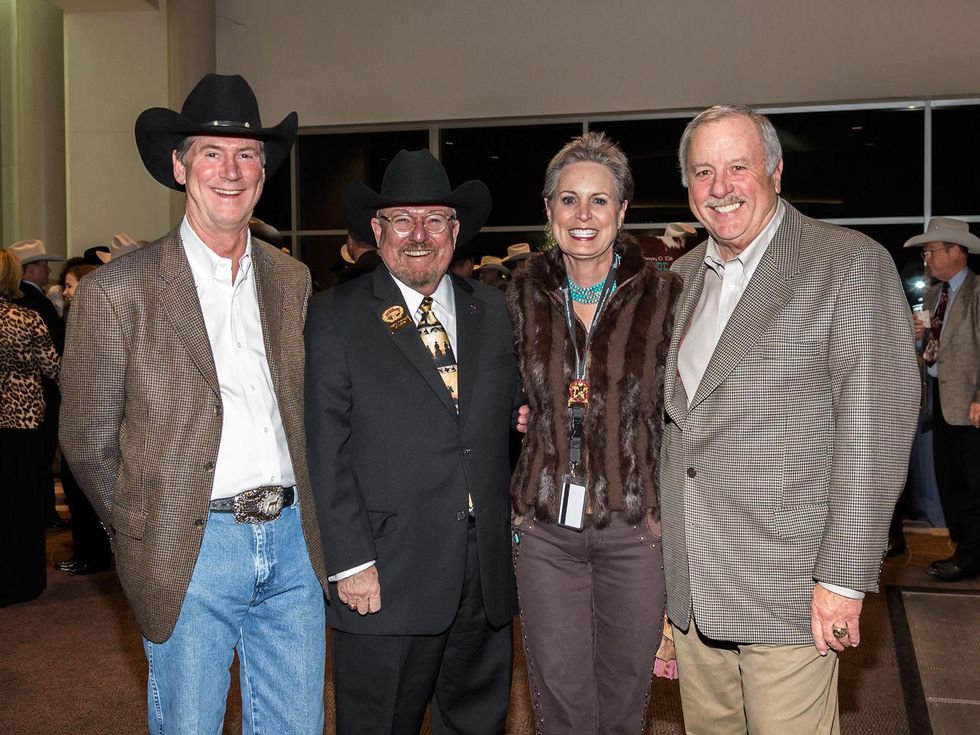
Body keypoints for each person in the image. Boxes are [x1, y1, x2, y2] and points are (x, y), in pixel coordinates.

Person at [59, 74, 329, 733]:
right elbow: (87, 435)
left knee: (297, 724)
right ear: (180, 166)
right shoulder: (117, 292)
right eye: (212, 152)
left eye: (247, 156)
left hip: (294, 542)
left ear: (263, 172)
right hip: (190, 547)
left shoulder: (291, 278)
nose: (231, 171)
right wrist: (143, 524)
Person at [661, 104, 920, 733]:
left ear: (775, 170)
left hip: (791, 584)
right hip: (694, 589)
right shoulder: (681, 277)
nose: (720, 187)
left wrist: (844, 578)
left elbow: (875, 434)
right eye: (702, 171)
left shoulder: (848, 264)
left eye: (737, 166)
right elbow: (676, 433)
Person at [305, 149, 522, 735]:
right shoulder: (335, 315)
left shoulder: (494, 311)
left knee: (479, 724)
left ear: (456, 231)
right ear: (377, 231)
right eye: (402, 220)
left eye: (434, 220)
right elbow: (326, 447)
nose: (419, 235)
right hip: (385, 574)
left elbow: (512, 410)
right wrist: (350, 561)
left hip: (485, 576)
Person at [506, 131, 681, 734]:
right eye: (569, 200)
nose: (584, 216)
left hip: (635, 532)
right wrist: (518, 414)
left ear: (623, 211)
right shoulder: (517, 293)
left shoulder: (666, 296)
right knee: (561, 705)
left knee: (625, 705)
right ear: (549, 208)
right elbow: (494, 392)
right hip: (546, 533)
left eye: (599, 201)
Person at [903, 217, 980, 582]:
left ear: (955, 251)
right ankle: (964, 549)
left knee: (974, 486)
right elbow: (932, 352)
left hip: (971, 408)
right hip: (942, 403)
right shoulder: (935, 295)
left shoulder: (977, 292)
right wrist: (918, 339)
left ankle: (971, 557)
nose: (927, 259)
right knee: (950, 484)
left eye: (931, 251)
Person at [0, 248, 60, 606]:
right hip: (22, 424)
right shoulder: (26, 320)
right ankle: (21, 581)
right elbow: (55, 369)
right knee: (21, 503)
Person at [52, 261, 112, 576]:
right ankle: (89, 553)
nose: (65, 291)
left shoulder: (92, 320)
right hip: (81, 416)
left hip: (91, 421)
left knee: (84, 491)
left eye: (70, 285)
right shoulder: (78, 317)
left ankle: (93, 555)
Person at [9, 238, 66, 528]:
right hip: (32, 405)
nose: (48, 270)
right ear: (29, 269)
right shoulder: (30, 310)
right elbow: (52, 361)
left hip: (11, 409)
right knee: (35, 466)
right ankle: (40, 517)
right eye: (44, 264)